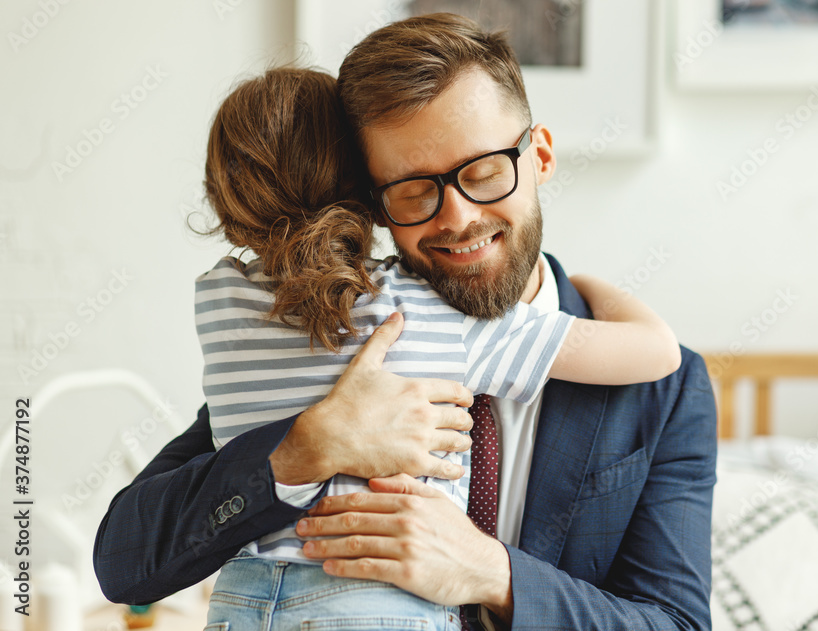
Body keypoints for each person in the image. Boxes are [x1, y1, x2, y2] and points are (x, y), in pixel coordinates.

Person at [94, 13, 717, 630]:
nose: (457, 217)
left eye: (485, 171)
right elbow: (125, 563)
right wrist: (307, 447)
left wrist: (492, 575)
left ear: (541, 157)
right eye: (414, 190)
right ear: (369, 205)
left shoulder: (665, 389)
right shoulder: (326, 340)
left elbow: (676, 624)